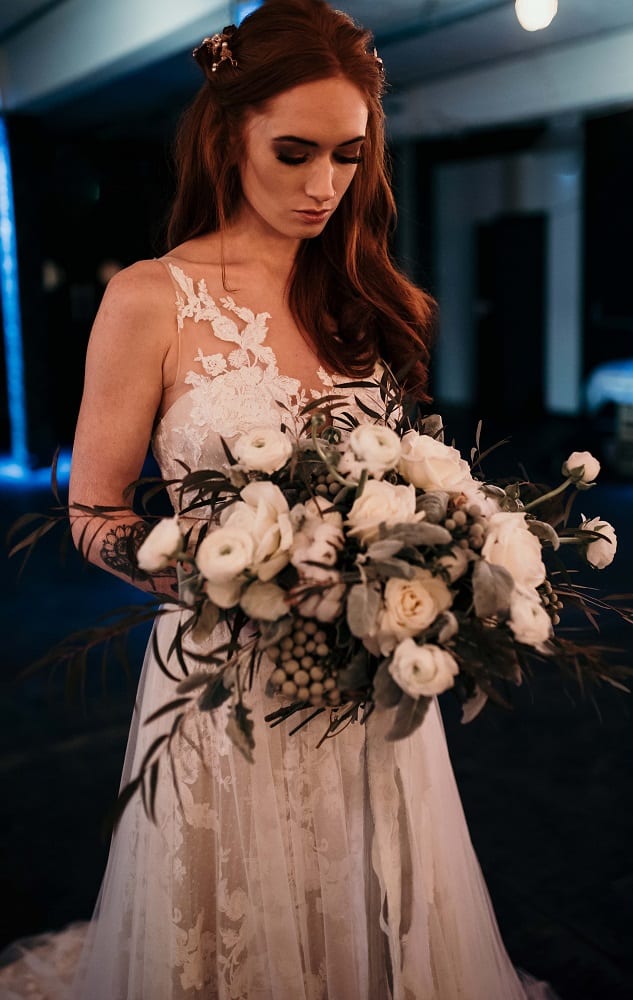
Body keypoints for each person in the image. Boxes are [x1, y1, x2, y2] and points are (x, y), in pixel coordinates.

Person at [0, 1, 558, 997]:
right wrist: (226, 584)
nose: (322, 186)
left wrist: (437, 551)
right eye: (294, 151)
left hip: (372, 674)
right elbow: (91, 508)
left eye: (348, 156)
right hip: (229, 678)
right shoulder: (151, 297)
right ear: (227, 134)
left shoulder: (367, 298)